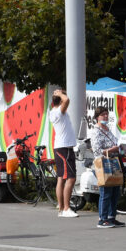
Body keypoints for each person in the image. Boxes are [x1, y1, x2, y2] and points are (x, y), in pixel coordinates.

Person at [91, 106, 124, 228]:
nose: (105, 116)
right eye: (103, 114)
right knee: (105, 192)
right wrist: (112, 149)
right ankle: (102, 219)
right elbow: (97, 150)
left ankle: (111, 217)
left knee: (115, 191)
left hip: (113, 162)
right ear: (97, 117)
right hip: (102, 164)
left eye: (106, 114)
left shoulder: (108, 129)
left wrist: (118, 147)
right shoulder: (96, 131)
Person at [49, 89, 78, 218]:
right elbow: (66, 100)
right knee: (71, 178)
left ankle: (61, 209)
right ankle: (66, 208)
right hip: (64, 148)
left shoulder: (55, 112)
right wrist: (60, 94)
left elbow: (64, 100)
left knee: (61, 178)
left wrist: (59, 94)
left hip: (62, 148)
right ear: (60, 101)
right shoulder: (58, 112)